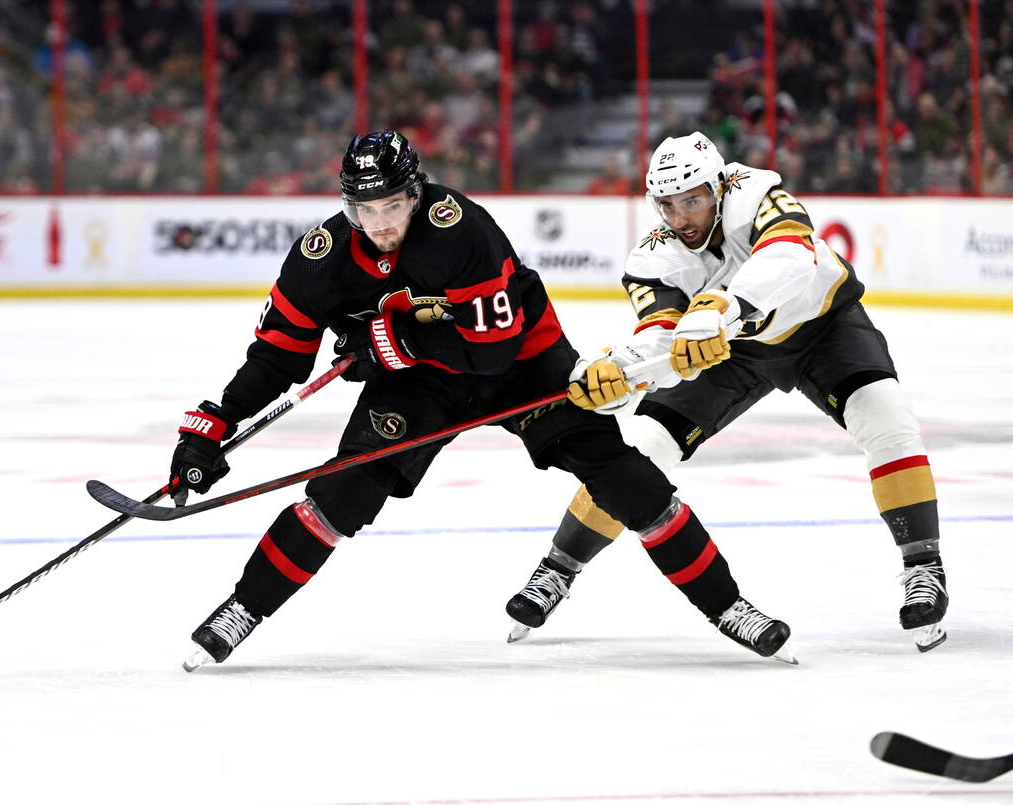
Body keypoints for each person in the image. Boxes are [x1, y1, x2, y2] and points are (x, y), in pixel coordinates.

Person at [169, 130, 795, 669]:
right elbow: (278, 353)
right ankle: (240, 610)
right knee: (342, 492)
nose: (380, 222)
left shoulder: (458, 227)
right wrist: (214, 422)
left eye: (392, 204)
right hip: (418, 382)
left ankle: (727, 605)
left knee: (625, 479)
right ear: (346, 206)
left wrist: (394, 339)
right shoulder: (321, 258)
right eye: (365, 208)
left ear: (415, 194)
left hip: (523, 363)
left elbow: (491, 353)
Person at [505, 131, 948, 652]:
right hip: (731, 350)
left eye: (692, 200)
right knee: (643, 446)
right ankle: (558, 569)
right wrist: (621, 373)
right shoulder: (652, 256)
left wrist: (724, 306)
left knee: (886, 417)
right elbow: (659, 333)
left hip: (823, 326)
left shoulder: (758, 193)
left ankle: (924, 566)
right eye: (667, 205)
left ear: (719, 186)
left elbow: (789, 255)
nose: (681, 217)